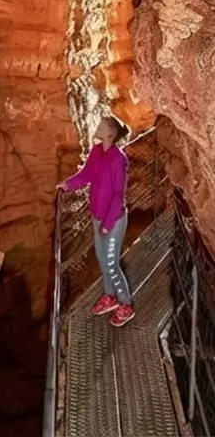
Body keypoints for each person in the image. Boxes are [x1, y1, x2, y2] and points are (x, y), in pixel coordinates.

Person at [59, 116, 133, 326]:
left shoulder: (119, 160)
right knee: (102, 260)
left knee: (111, 264)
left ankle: (125, 305)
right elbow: (86, 175)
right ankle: (110, 296)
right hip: (97, 217)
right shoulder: (96, 151)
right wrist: (68, 185)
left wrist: (108, 224)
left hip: (113, 220)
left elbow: (119, 195)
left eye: (101, 125)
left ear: (110, 133)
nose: (97, 127)